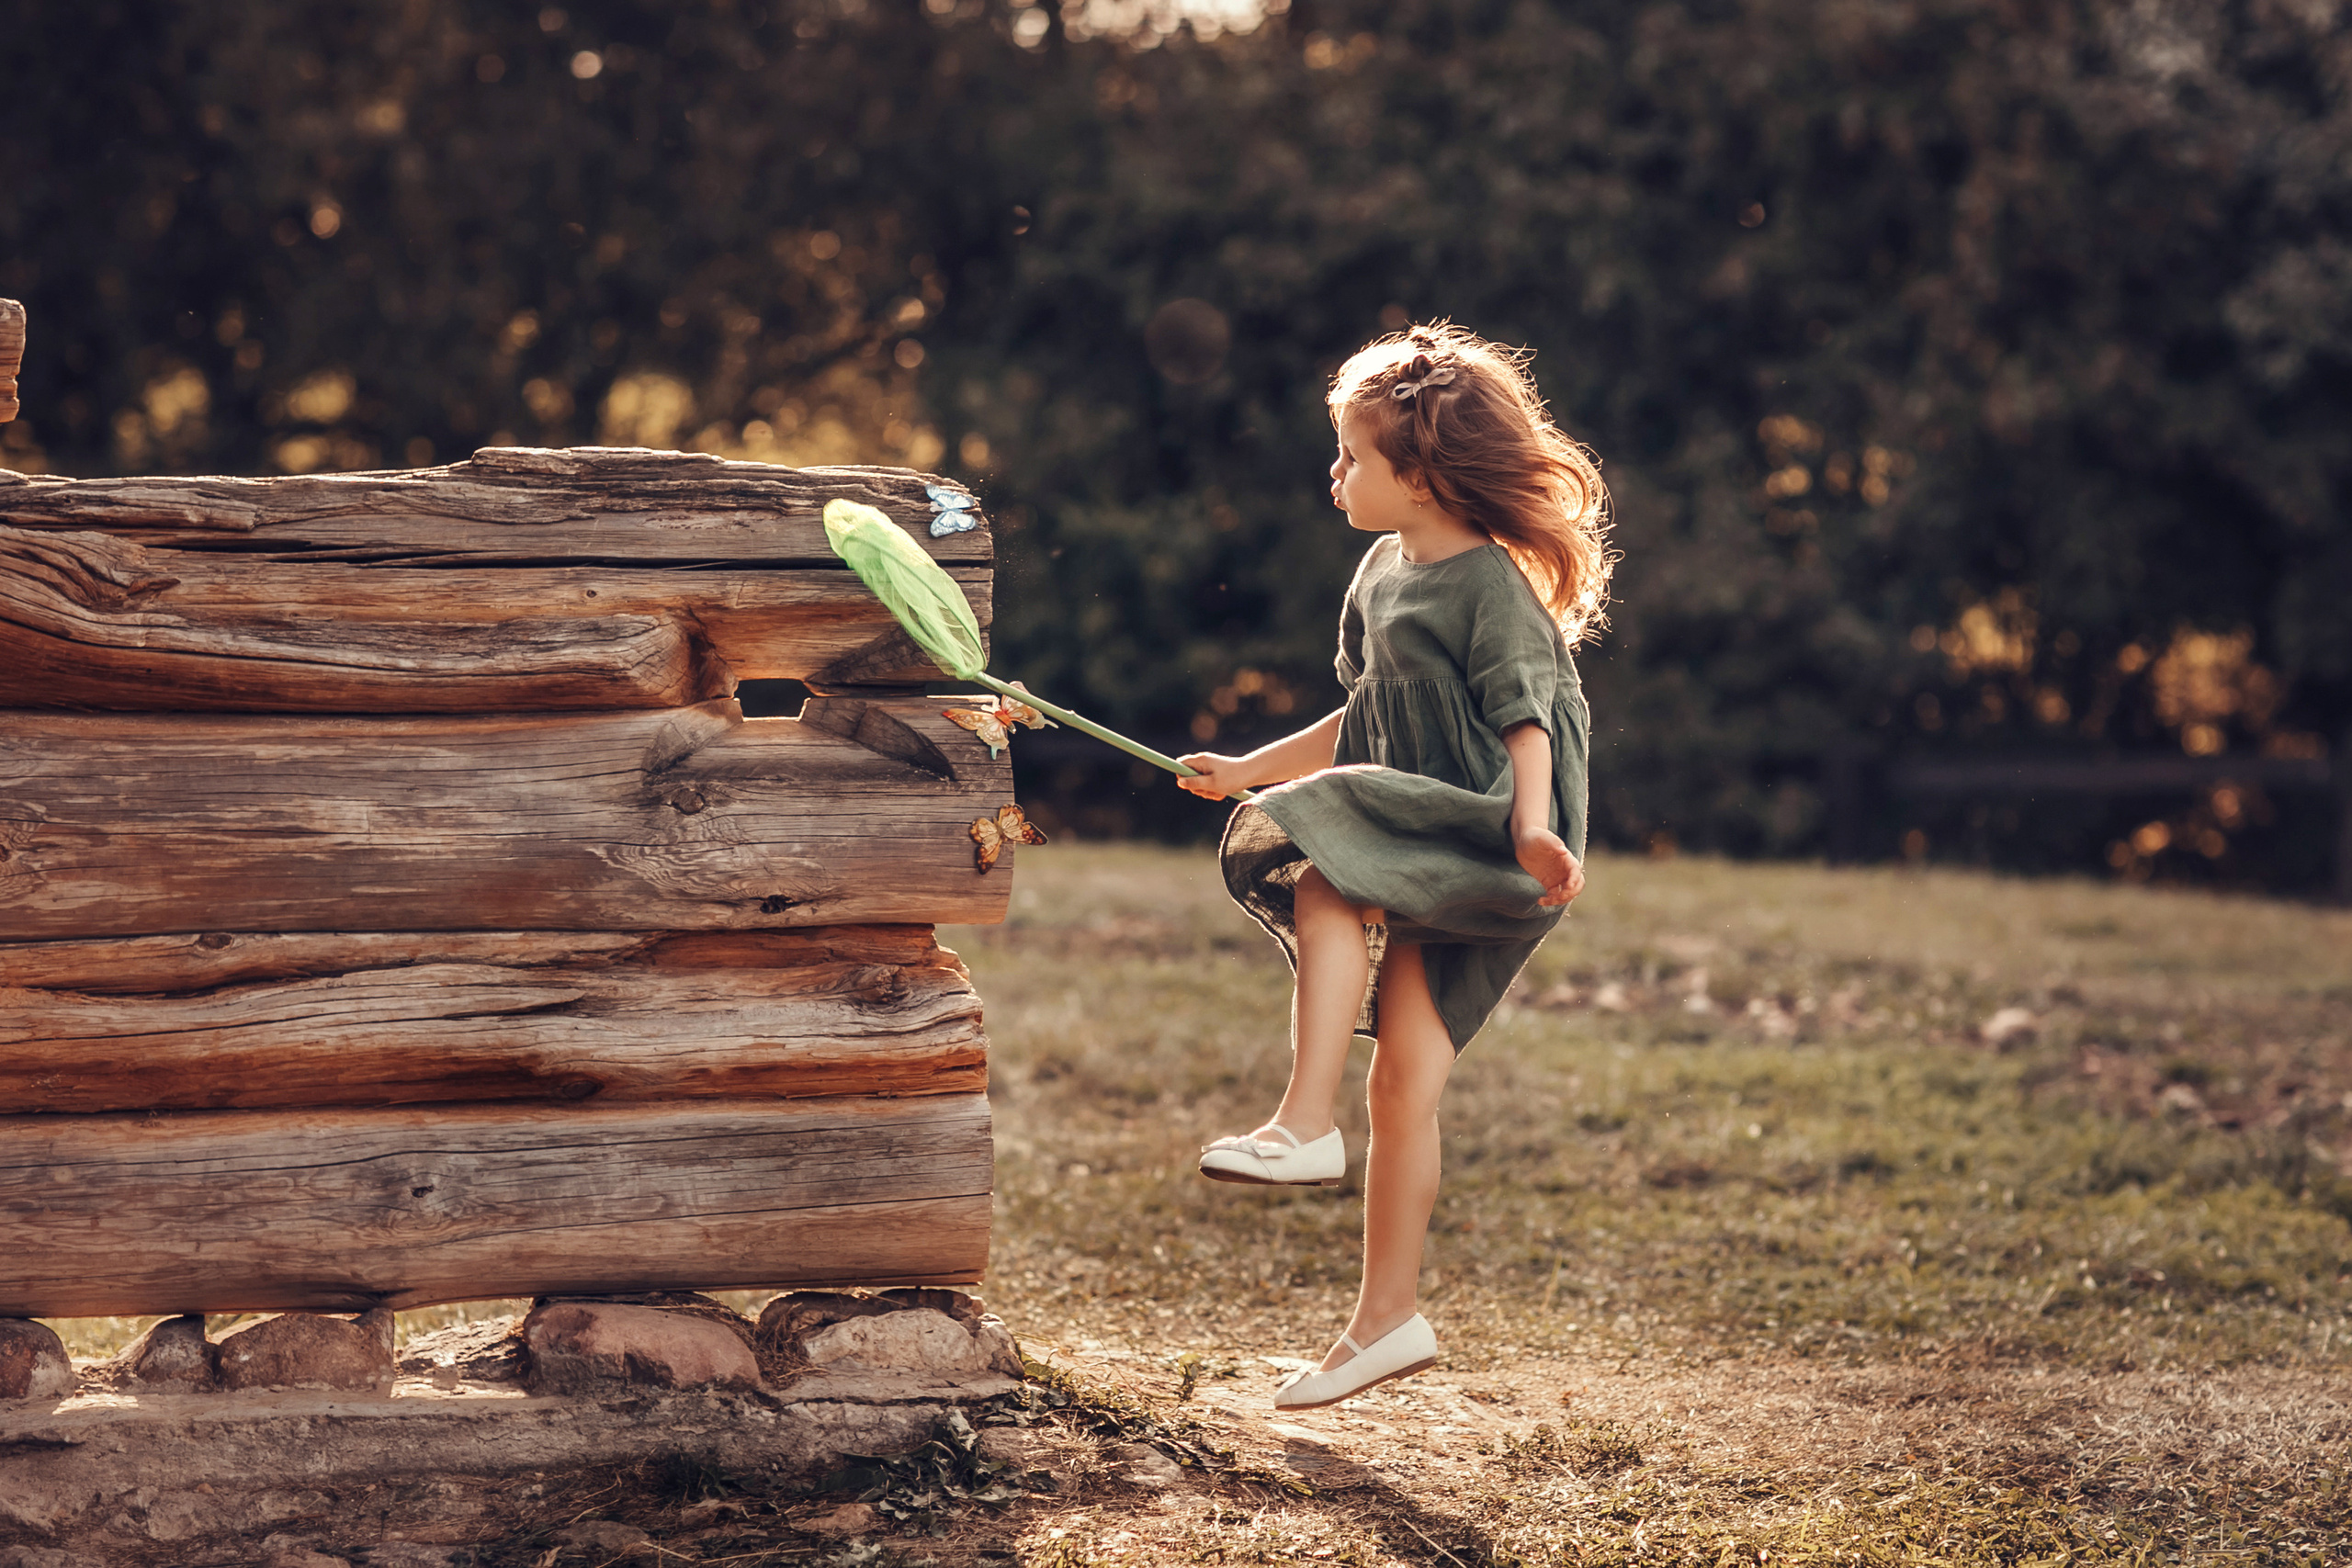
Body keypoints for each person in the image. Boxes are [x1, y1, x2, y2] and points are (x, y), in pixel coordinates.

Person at [1175, 321, 1612, 1409]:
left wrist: (1528, 830)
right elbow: (1357, 718)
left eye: (1350, 458)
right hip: (1414, 820)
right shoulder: (1380, 572)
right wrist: (1245, 770)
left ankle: (1302, 1126)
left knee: (1325, 872)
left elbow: (1529, 727)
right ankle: (1387, 1321)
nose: (1335, 475)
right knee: (1406, 1076)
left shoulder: (1489, 591)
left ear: (1415, 477)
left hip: (1484, 827)